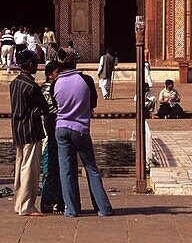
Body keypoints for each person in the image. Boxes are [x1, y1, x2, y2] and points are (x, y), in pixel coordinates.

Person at [53, 48, 114, 217]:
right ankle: (103, 208)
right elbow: (93, 103)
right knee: (91, 168)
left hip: (61, 128)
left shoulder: (56, 82)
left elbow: (56, 104)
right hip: (80, 128)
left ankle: (71, 209)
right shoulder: (85, 80)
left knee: (66, 170)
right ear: (75, 62)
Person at [9, 48, 47, 216]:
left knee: (20, 168)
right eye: (35, 63)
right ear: (30, 64)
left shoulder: (15, 83)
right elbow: (45, 107)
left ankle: (19, 204)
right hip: (31, 130)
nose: (37, 66)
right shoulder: (31, 86)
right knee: (30, 170)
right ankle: (27, 206)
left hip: (18, 130)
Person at [39, 60, 65, 214]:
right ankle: (49, 201)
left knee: (56, 168)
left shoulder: (53, 88)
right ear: (50, 75)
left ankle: (55, 201)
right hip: (49, 134)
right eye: (57, 72)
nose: (59, 75)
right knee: (50, 168)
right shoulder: (48, 89)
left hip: (54, 132)